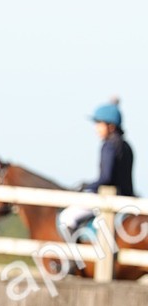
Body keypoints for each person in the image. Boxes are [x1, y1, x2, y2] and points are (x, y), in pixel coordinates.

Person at [57, 99, 135, 242]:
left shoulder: (109, 146)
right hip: (128, 197)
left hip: (109, 197)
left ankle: (74, 261)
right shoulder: (126, 146)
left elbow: (106, 178)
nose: (96, 128)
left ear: (111, 126)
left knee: (65, 218)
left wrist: (86, 186)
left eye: (99, 124)